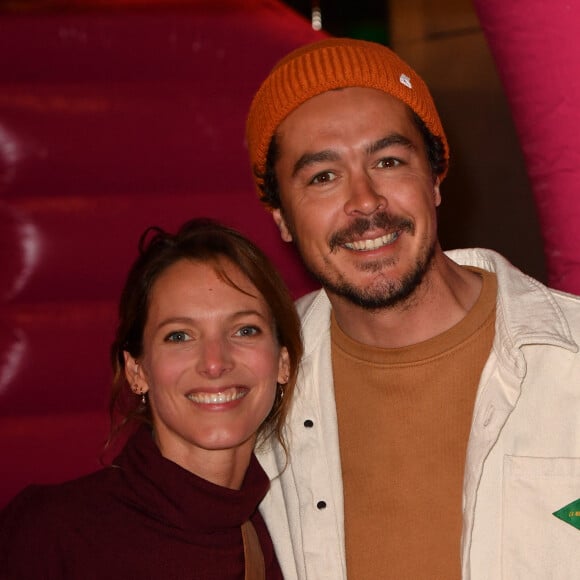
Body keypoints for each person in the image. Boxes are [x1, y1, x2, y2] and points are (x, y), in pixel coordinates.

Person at [245, 37, 580, 579]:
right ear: (280, 215)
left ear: (435, 178)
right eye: (323, 176)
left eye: (389, 160)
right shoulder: (252, 392)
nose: (366, 201)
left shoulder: (571, 359)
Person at [0, 218, 302, 579]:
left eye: (244, 330)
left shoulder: (293, 544)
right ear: (136, 370)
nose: (215, 362)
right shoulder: (52, 533)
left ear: (282, 362)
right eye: (179, 336)